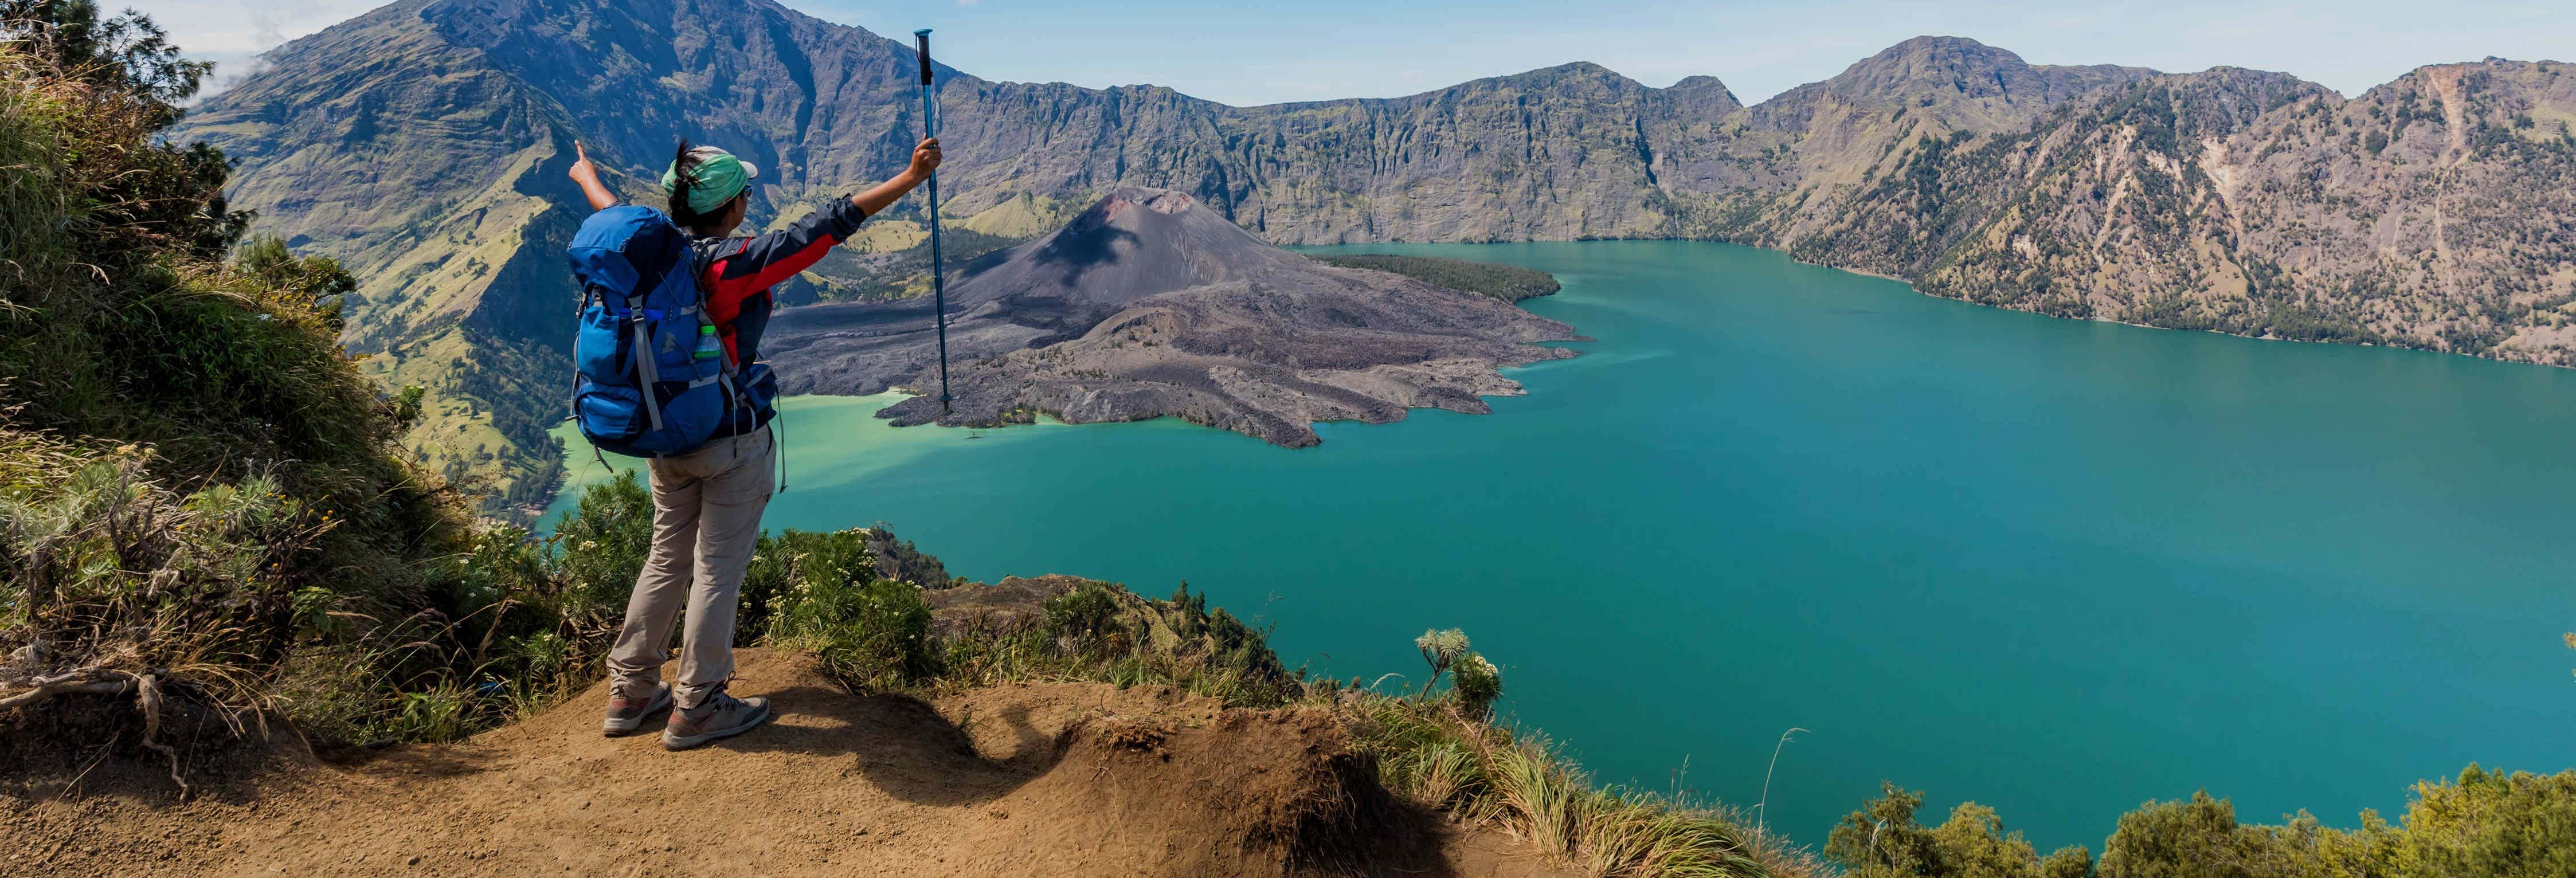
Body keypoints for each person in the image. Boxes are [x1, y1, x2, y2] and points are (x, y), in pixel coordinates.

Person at [565, 134, 942, 750]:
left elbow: (607, 210)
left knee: (668, 557)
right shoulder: (733, 262)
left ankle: (631, 688)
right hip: (729, 437)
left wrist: (584, 175)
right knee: (717, 568)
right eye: (744, 193)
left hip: (664, 436)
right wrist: (909, 178)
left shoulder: (651, 252)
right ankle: (701, 702)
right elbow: (827, 227)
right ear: (734, 206)